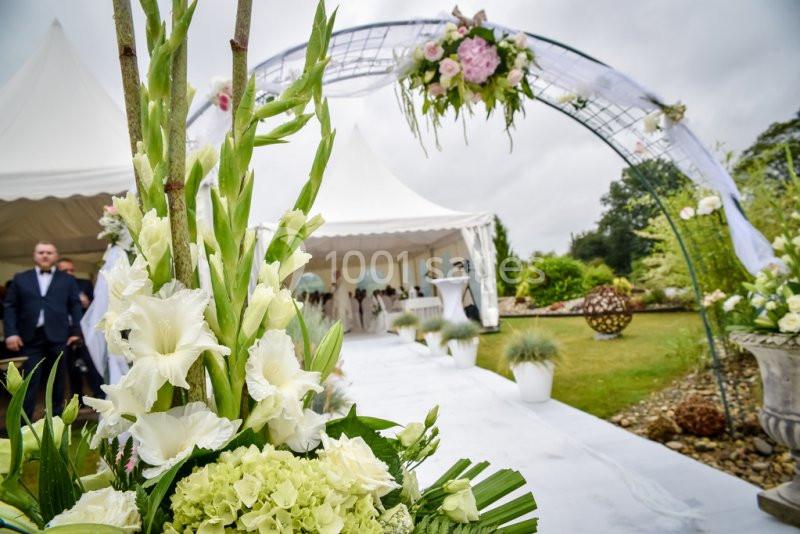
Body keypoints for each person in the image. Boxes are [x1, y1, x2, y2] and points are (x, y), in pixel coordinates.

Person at [4, 242, 83, 419]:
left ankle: (56, 422)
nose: (45, 255)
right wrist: (11, 333)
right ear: (34, 255)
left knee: (58, 381)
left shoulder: (68, 279)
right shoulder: (20, 278)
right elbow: (10, 306)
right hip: (30, 338)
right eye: (41, 252)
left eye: (49, 252)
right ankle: (23, 425)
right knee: (29, 381)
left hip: (59, 337)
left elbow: (75, 306)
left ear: (56, 256)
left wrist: (76, 332)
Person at [56, 258, 104, 405]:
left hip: (85, 331)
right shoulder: (53, 287)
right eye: (65, 271)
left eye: (72, 270)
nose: (70, 273)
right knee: (71, 367)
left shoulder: (84, 284)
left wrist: (86, 303)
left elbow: (97, 307)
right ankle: (78, 399)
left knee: (91, 363)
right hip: (63, 332)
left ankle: (100, 396)